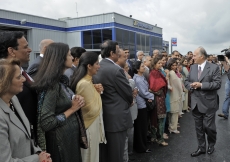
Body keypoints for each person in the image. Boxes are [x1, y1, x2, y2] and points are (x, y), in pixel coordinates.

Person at [32, 42, 87, 162]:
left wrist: (74, 98)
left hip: (67, 141)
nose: (72, 58)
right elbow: (47, 122)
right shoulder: (51, 86)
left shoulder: (61, 81)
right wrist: (72, 109)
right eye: (69, 55)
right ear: (60, 58)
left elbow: (62, 102)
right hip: (60, 144)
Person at [0, 59, 52, 162]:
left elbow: (28, 136)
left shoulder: (14, 100)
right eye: (19, 77)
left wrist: (40, 153)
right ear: (4, 82)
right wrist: (36, 158)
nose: (24, 79)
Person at [93, 40, 133, 162]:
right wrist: (129, 101)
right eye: (118, 51)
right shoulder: (116, 70)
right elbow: (127, 93)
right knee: (117, 153)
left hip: (104, 115)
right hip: (117, 118)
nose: (121, 54)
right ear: (112, 53)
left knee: (107, 154)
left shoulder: (98, 67)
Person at [0, 31, 38, 144]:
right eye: (25, 47)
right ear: (11, 51)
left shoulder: (22, 72)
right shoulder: (4, 79)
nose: (30, 49)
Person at [70, 51, 106, 162]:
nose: (99, 67)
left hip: (92, 125)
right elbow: (92, 109)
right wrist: (97, 94)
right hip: (89, 127)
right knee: (90, 157)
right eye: (97, 64)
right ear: (89, 66)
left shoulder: (88, 81)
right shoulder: (84, 83)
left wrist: (95, 91)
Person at [185, 47, 221, 157]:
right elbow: (186, 81)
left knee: (209, 127)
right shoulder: (193, 67)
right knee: (199, 128)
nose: (192, 57)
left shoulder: (214, 68)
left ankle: (211, 144)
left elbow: (217, 84)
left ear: (202, 56)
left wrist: (201, 85)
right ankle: (201, 148)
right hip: (195, 103)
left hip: (209, 103)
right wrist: (190, 86)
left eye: (195, 55)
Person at [133, 61, 154, 153]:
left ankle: (142, 145)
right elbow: (143, 92)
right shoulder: (138, 79)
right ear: (137, 69)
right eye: (142, 66)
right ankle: (141, 147)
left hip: (143, 102)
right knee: (141, 127)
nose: (144, 67)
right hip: (141, 105)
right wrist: (151, 96)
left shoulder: (141, 77)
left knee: (143, 126)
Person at [149, 56, 168, 146]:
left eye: (161, 63)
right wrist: (159, 89)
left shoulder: (157, 72)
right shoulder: (154, 73)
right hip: (158, 98)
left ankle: (155, 137)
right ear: (154, 64)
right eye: (158, 63)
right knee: (159, 118)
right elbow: (154, 86)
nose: (161, 64)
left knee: (157, 118)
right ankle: (160, 139)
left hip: (159, 97)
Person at [167, 58, 183, 134]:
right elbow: (178, 84)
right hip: (175, 94)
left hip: (172, 93)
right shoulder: (172, 73)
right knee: (174, 112)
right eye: (172, 65)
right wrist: (181, 91)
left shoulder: (172, 72)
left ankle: (171, 126)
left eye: (175, 65)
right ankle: (173, 128)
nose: (174, 66)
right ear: (170, 65)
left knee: (172, 112)